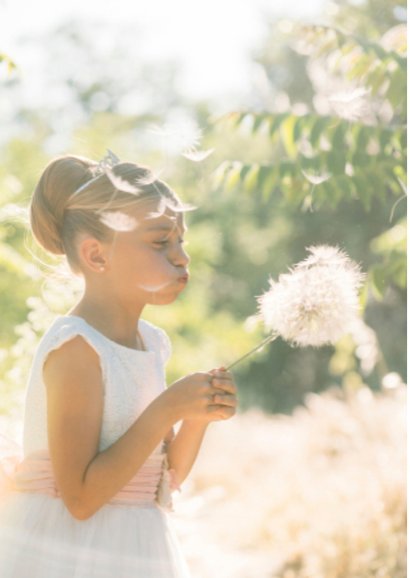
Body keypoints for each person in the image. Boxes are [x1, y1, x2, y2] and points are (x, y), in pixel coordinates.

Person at [0, 151, 237, 577]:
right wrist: (167, 407)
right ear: (97, 256)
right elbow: (81, 498)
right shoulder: (77, 348)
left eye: (180, 240)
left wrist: (197, 417)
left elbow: (162, 482)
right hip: (72, 553)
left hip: (139, 547)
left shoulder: (151, 344)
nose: (182, 256)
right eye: (160, 241)